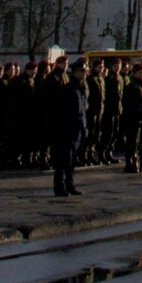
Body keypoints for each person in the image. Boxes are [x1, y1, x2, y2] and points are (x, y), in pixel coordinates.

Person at [49, 59, 89, 197]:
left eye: (85, 70)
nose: (85, 73)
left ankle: (70, 185)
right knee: (63, 160)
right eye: (83, 71)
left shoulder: (81, 88)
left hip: (77, 130)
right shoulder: (68, 89)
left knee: (72, 161)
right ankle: (59, 187)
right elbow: (63, 111)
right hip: (67, 130)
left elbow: (83, 110)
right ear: (76, 72)